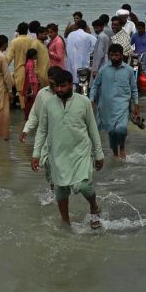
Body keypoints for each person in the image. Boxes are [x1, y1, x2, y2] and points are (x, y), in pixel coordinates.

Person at [32, 68, 105, 229]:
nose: (59, 89)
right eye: (57, 86)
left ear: (71, 85)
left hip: (80, 151)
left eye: (63, 86)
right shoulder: (49, 103)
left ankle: (93, 207)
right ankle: (66, 223)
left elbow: (92, 129)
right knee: (61, 190)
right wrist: (36, 154)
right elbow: (42, 129)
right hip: (57, 153)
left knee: (84, 186)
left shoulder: (83, 102)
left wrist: (99, 154)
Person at [89, 43, 139, 160]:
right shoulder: (103, 70)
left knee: (120, 129)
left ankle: (122, 146)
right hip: (106, 107)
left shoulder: (129, 70)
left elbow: (134, 89)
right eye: (111, 55)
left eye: (116, 55)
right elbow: (95, 86)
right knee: (111, 131)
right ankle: (116, 154)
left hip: (123, 106)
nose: (114, 58)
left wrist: (136, 104)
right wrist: (91, 99)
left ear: (122, 55)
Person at [6, 25, 48, 110]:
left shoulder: (14, 42)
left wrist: (0, 67)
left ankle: (24, 115)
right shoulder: (32, 41)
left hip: (20, 71)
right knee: (33, 95)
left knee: (22, 94)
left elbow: (8, 58)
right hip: (32, 70)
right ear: (27, 30)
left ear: (18, 31)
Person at [65, 19, 96, 88]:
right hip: (83, 64)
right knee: (83, 82)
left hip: (71, 62)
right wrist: (90, 52)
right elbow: (96, 45)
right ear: (85, 27)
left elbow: (67, 47)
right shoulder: (87, 36)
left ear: (76, 26)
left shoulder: (70, 35)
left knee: (73, 79)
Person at [90, 16, 111, 80]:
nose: (95, 30)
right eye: (94, 28)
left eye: (97, 28)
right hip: (104, 63)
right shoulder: (104, 36)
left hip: (101, 64)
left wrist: (95, 69)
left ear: (102, 27)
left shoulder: (101, 37)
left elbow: (100, 54)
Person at [22, 48, 40, 120]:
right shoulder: (30, 63)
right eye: (36, 54)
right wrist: (31, 88)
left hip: (31, 84)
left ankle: (28, 117)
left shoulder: (30, 62)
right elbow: (30, 76)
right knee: (31, 101)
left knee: (30, 102)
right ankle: (29, 117)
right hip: (31, 85)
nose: (37, 56)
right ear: (33, 55)